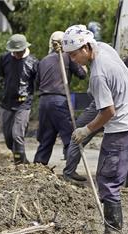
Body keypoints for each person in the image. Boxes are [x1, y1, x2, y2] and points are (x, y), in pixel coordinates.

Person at [62, 25, 128, 234]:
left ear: (87, 47)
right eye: (69, 55)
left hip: (122, 128)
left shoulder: (98, 75)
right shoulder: (106, 48)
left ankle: (113, 231)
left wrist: (86, 129)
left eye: (74, 54)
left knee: (107, 179)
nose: (72, 59)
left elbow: (108, 112)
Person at [63, 52, 128, 182]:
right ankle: (123, 180)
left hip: (97, 108)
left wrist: (102, 103)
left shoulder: (116, 71)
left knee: (78, 137)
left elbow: (90, 92)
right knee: (124, 150)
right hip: (123, 116)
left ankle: (69, 172)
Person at [0, 34, 38, 164]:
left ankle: (19, 164)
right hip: (7, 103)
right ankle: (22, 159)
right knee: (8, 138)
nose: (16, 54)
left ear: (24, 48)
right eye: (14, 52)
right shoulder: (5, 59)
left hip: (24, 104)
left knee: (17, 135)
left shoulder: (33, 62)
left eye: (19, 52)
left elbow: (39, 82)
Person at [33, 31, 87, 165]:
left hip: (44, 101)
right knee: (70, 138)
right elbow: (81, 74)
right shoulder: (67, 57)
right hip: (60, 101)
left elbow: (37, 83)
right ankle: (70, 171)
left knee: (46, 138)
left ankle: (38, 168)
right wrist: (84, 68)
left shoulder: (43, 60)